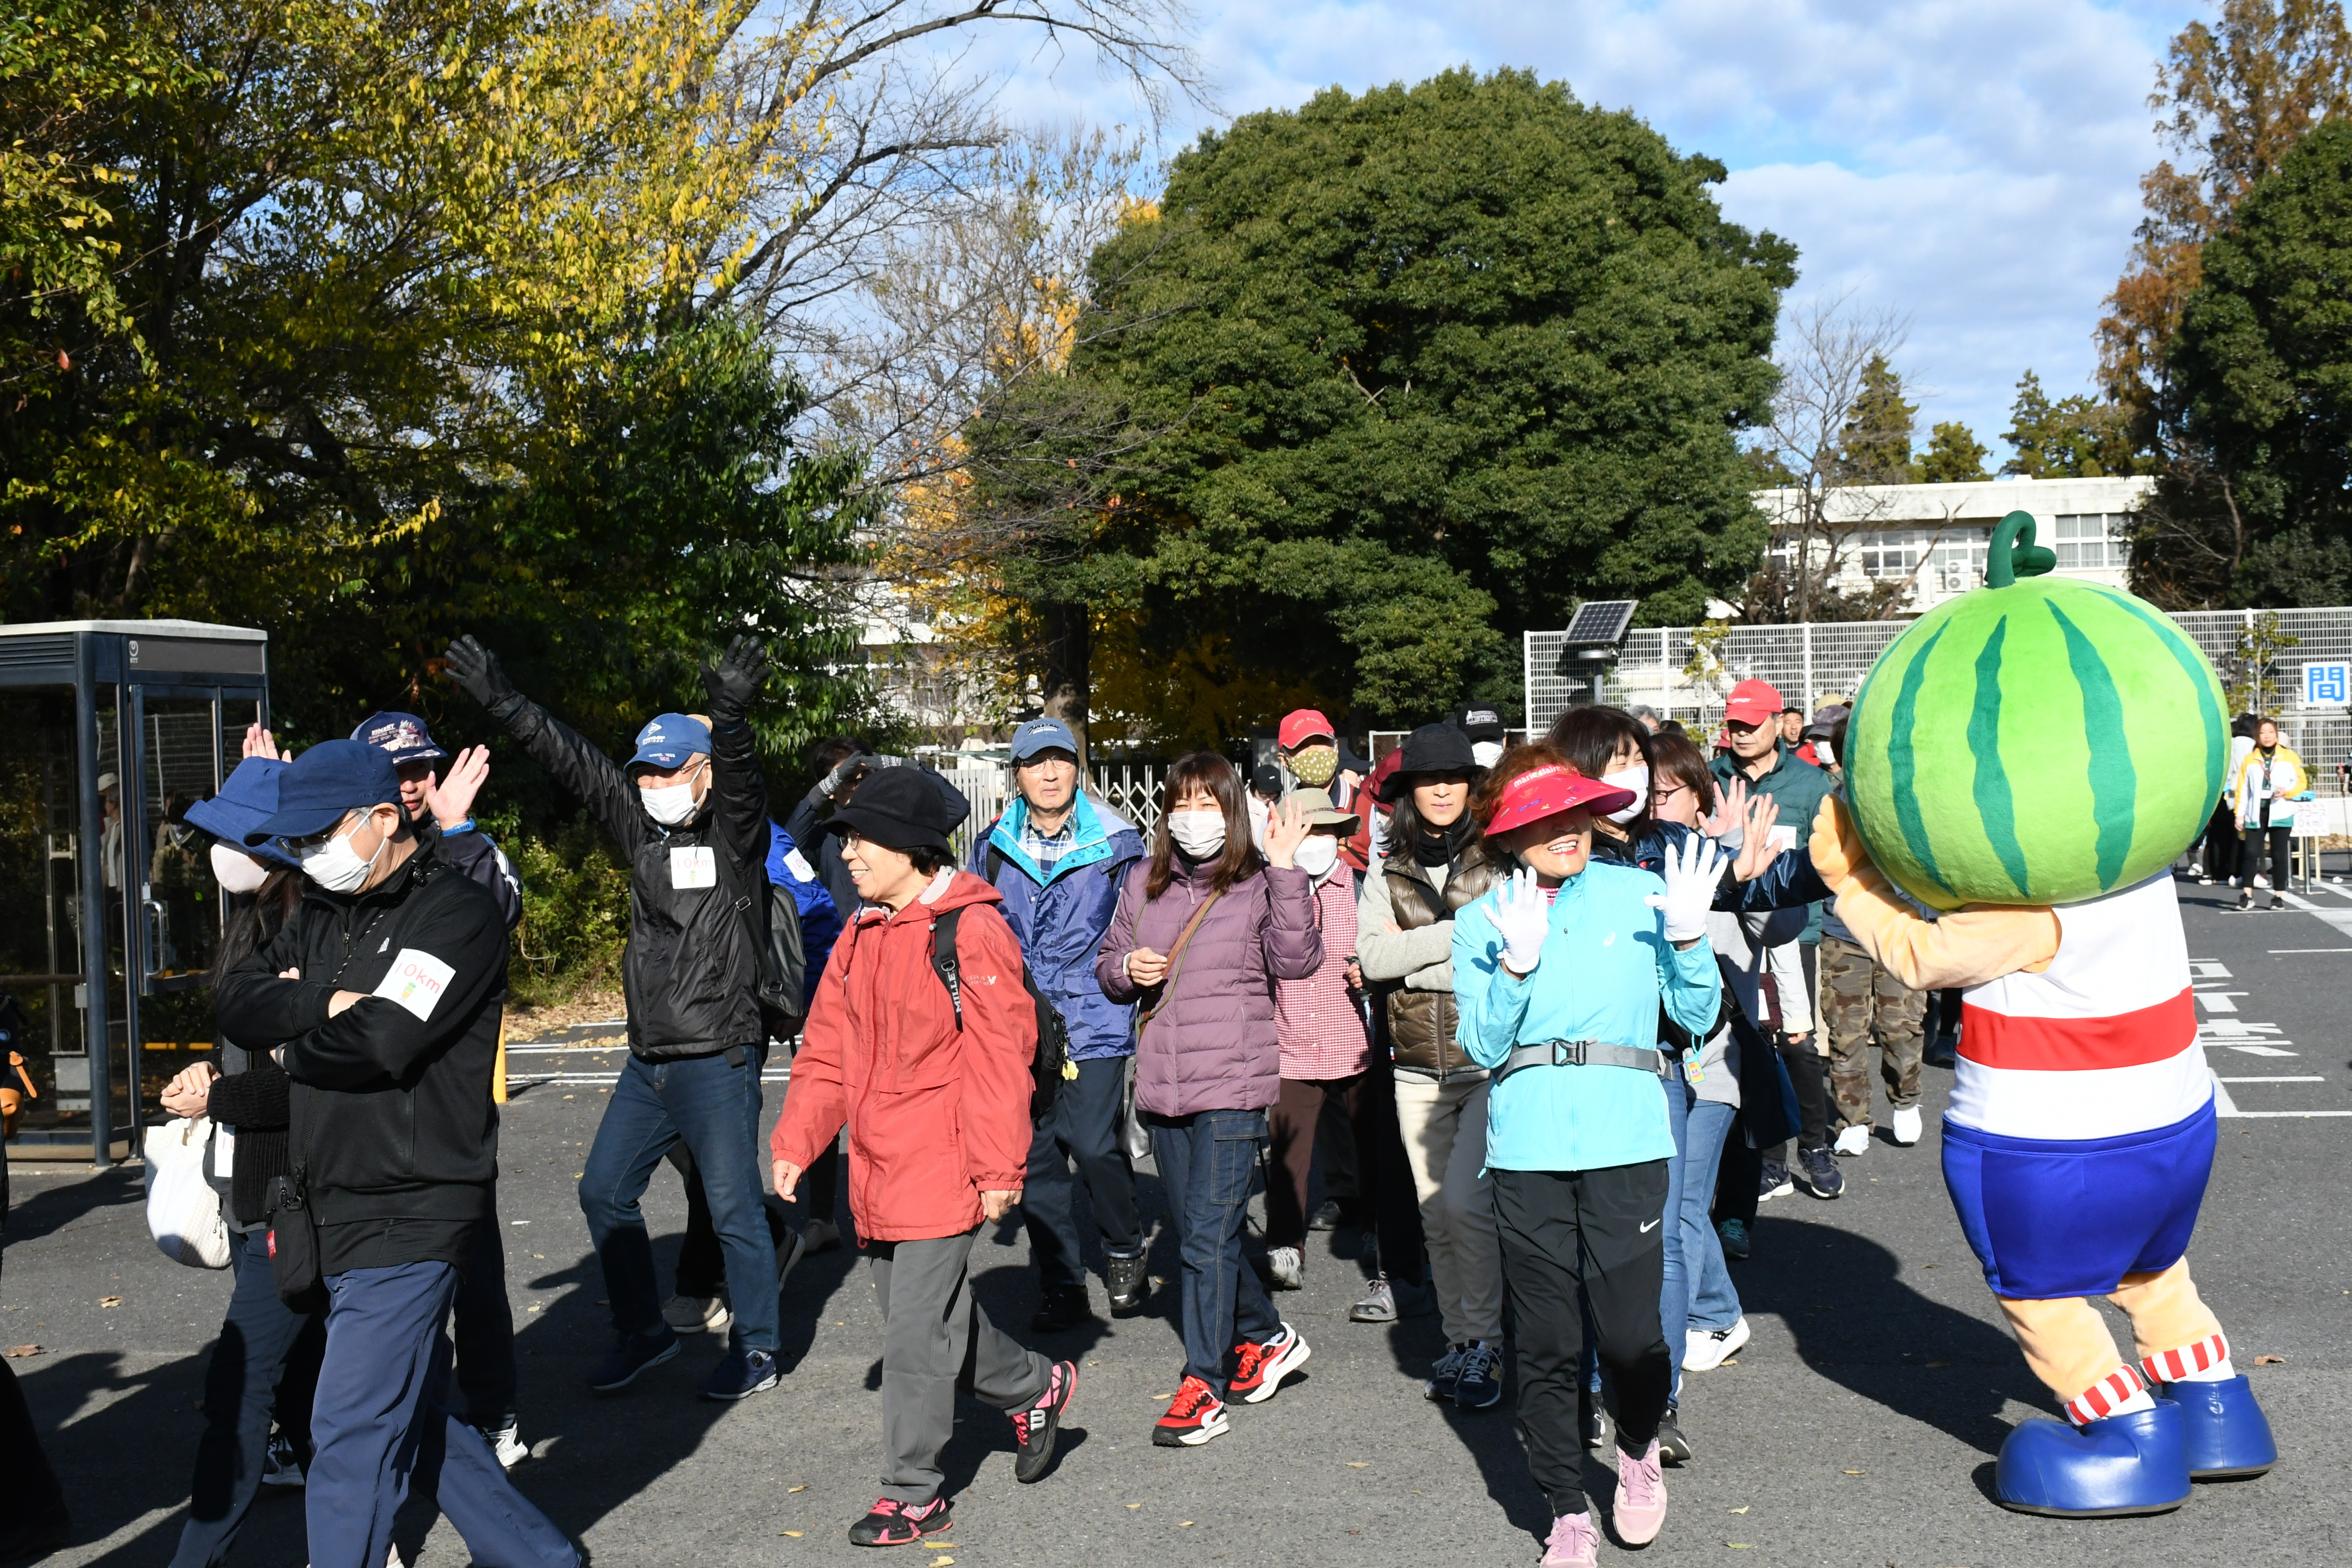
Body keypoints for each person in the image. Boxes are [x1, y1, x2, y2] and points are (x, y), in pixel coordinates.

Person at [215, 740, 577, 1568]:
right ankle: (535, 1553)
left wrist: (288, 1048)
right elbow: (238, 995)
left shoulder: (456, 913)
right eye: (296, 842)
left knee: (347, 1427)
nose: (305, 856)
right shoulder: (318, 910)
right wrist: (319, 999)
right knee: (402, 1408)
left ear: (385, 819)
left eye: (317, 834)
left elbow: (386, 1036)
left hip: (411, 1201)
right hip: (322, 1196)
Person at [444, 634, 789, 1401]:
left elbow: (742, 787)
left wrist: (729, 714)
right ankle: (644, 1331)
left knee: (732, 1207)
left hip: (718, 1052)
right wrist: (502, 700)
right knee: (603, 1190)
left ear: (701, 773)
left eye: (670, 769)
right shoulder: (640, 830)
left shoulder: (735, 840)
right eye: (646, 772)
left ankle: (759, 1346)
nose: (653, 782)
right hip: (649, 1059)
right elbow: (574, 760)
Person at [770, 767, 1076, 1546]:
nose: (847, 856)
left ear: (912, 846)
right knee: (933, 1326)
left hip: (945, 1164)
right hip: (877, 1169)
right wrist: (795, 1142)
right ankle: (1035, 1385)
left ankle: (912, 1491)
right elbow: (827, 1052)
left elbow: (1001, 1059)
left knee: (913, 1336)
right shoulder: (861, 931)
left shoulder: (969, 929)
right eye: (843, 839)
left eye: (860, 840)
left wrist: (1001, 1168)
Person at [1453, 745, 1721, 1565]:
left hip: (1628, 1138)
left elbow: (1697, 1013)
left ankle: (1637, 1446)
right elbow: (1482, 1041)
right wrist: (1517, 963)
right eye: (1539, 819)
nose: (1562, 831)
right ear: (1508, 833)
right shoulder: (1482, 916)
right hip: (1529, 1147)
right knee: (1545, 1338)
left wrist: (1688, 937)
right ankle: (1567, 1504)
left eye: (1572, 812)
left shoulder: (1642, 891)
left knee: (1634, 1336)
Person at [1546, 704, 1822, 1460]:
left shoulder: (1670, 846)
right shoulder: (1548, 848)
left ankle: (1654, 1399)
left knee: (1661, 1238)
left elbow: (1752, 887)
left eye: (1638, 760)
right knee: (1575, 1242)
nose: (1630, 776)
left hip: (1658, 1068)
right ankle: (1587, 1383)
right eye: (1613, 761)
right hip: (1562, 1072)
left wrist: (1829, 860)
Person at [1096, 754, 1320, 1448]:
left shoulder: (1258, 883)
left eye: (1208, 804)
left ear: (1232, 813)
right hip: (1164, 1085)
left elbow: (1297, 959)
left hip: (1232, 1081)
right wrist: (1126, 968)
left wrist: (1285, 871)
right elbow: (1107, 964)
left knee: (1200, 1237)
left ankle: (1203, 1383)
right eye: (1181, 804)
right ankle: (1266, 1335)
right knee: (1209, 1235)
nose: (1193, 818)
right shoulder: (1143, 879)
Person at [161, 759, 329, 1566]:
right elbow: (248, 1055)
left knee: (240, 1389)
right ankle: (519, 1539)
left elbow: (305, 1085)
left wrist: (217, 1098)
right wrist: (208, 1073)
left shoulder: (307, 931)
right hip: (258, 1197)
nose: (211, 853)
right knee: (315, 1395)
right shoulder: (252, 923)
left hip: (294, 1201)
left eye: (226, 836)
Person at [349, 710, 528, 1466]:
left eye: (421, 767)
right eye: (396, 772)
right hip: (358, 1104)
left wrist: (459, 835)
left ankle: (492, 1413)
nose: (413, 782)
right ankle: (360, 1421)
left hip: (448, 1106)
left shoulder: (465, 849)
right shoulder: (343, 852)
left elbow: (494, 915)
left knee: (472, 1270)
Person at [972, 717, 1151, 1330]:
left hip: (1096, 1010)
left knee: (1095, 1143)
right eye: (1035, 762)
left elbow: (1138, 926)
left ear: (1078, 769)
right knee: (1038, 1156)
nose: (1050, 774)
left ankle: (1125, 1251)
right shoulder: (991, 845)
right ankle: (1062, 1282)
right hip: (1019, 1018)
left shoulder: (1121, 842)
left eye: (1061, 761)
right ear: (1017, 774)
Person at [1356, 722, 1505, 1410]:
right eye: (1427, 779)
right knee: (1433, 1213)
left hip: (1485, 1061)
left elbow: (1507, 954)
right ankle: (1460, 1342)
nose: (1442, 788)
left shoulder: (1500, 856)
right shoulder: (1386, 865)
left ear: (1472, 784)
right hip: (1413, 1064)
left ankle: (1487, 1345)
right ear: (1408, 791)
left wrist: (1413, 950)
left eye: (1453, 776)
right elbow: (1371, 961)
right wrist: (1456, 937)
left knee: (1469, 1206)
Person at [1710, 678, 1837, 1203]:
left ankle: (1815, 1145)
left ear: (1776, 722)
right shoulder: (1713, 777)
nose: (1739, 734)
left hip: (1791, 931)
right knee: (1752, 1040)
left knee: (1797, 1039)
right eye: (1732, 724)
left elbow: (1829, 858)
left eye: (1749, 724)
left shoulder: (1810, 786)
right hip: (1727, 931)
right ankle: (1770, 1160)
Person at [1262, 787, 1372, 1295]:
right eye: (1304, 829)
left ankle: (1380, 1232)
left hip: (1356, 1042)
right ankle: (1285, 1245)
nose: (1315, 840)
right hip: (1290, 1041)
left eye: (1325, 830)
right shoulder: (1266, 892)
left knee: (1373, 1149)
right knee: (1287, 1156)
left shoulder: (1364, 888)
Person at [2231, 717, 2306, 912]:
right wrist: (2240, 814)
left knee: (2279, 856)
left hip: (2281, 811)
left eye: (2271, 732)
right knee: (2250, 853)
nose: (2267, 736)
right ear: (2257, 735)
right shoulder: (2250, 759)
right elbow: (2243, 789)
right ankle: (2247, 895)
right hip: (2256, 812)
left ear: (2277, 734)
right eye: (2263, 732)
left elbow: (2301, 782)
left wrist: (2286, 791)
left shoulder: (2289, 757)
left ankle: (2278, 895)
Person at [1452, 704, 1509, 768]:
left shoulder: (1519, 776)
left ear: (1504, 741)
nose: (1483, 745)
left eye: (1490, 738)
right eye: (1475, 740)